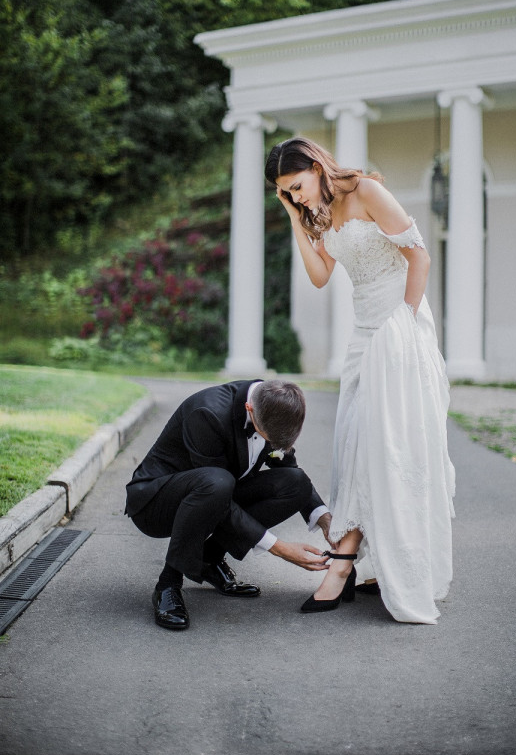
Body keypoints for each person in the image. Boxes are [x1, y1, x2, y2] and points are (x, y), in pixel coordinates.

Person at [265, 137, 455, 624]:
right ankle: (369, 567)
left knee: (384, 444)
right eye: (286, 193)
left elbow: (419, 257)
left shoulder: (366, 191)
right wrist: (294, 219)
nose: (297, 196)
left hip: (398, 326)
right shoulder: (317, 215)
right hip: (361, 337)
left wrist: (406, 326)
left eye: (297, 186)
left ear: (315, 165)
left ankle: (344, 565)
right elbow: (320, 276)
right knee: (354, 445)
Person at [125, 378, 331, 629]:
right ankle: (168, 584)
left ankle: (209, 560)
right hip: (155, 503)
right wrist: (280, 548)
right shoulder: (207, 413)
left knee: (295, 482)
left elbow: (288, 468)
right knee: (217, 482)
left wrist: (325, 520)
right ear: (250, 410)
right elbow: (218, 498)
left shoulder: (274, 405)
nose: (273, 446)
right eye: (269, 439)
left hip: (214, 492)